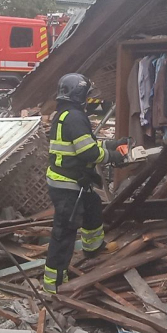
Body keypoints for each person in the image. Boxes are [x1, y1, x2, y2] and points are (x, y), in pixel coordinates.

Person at [43, 73, 127, 294]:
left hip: (70, 179)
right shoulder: (75, 117)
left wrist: (112, 144)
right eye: (86, 95)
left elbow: (84, 142)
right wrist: (113, 157)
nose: (89, 99)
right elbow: (88, 151)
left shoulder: (66, 115)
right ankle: (54, 283)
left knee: (92, 205)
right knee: (64, 232)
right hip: (67, 183)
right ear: (79, 94)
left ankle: (93, 247)